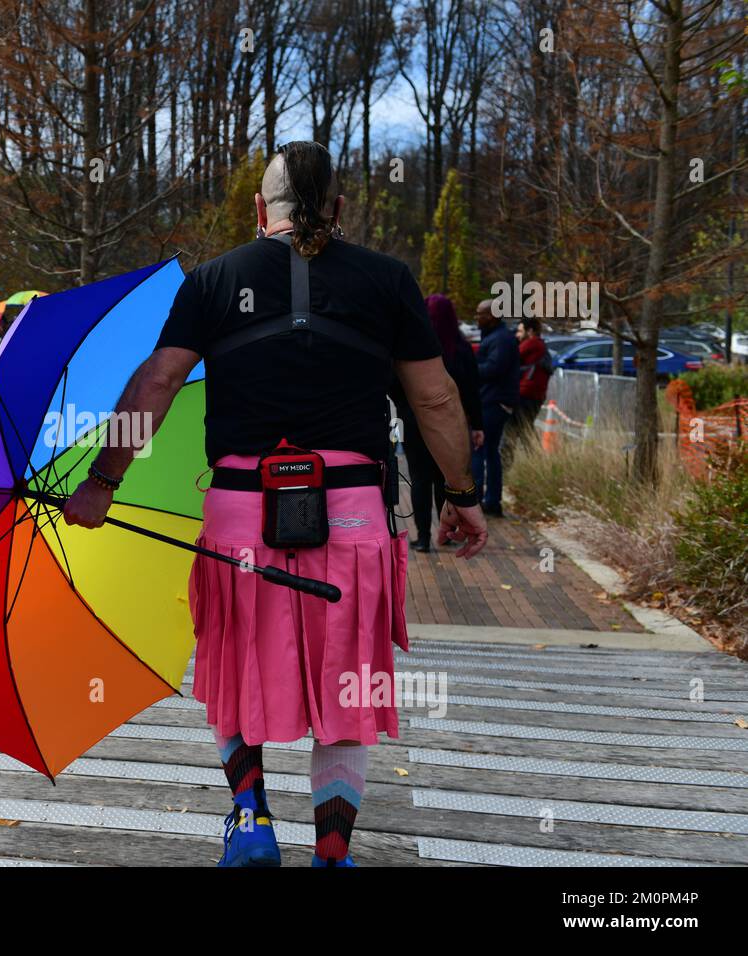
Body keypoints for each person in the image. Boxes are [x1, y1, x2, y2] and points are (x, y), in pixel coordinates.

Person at [63, 142, 487, 868]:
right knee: (348, 682)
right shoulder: (388, 280)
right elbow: (436, 396)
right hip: (352, 512)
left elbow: (157, 384)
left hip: (239, 513)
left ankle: (252, 820)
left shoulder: (213, 280)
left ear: (262, 212)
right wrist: (460, 495)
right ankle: (331, 851)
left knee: (232, 664)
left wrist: (104, 480)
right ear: (339, 210)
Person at [390, 294, 483, 553]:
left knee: (419, 479)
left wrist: (405, 406)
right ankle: (448, 532)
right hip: (451, 423)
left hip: (413, 420)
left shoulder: (410, 347)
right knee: (448, 476)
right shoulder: (460, 349)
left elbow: (393, 383)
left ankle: (422, 537)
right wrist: (477, 425)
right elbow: (473, 390)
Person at [472, 299, 521, 517]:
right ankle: (491, 500)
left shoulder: (500, 339)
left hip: (493, 402)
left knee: (480, 448)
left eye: (479, 314)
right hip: (495, 400)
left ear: (491, 316)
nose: (476, 318)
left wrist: (470, 368)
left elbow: (494, 368)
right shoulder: (497, 337)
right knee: (490, 452)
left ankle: (479, 500)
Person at [513, 315, 552, 442]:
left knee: (520, 429)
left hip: (526, 393)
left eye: (520, 331)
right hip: (534, 394)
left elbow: (512, 357)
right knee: (524, 429)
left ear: (530, 331)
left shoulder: (532, 343)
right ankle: (533, 457)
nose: (517, 335)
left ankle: (532, 456)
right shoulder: (539, 344)